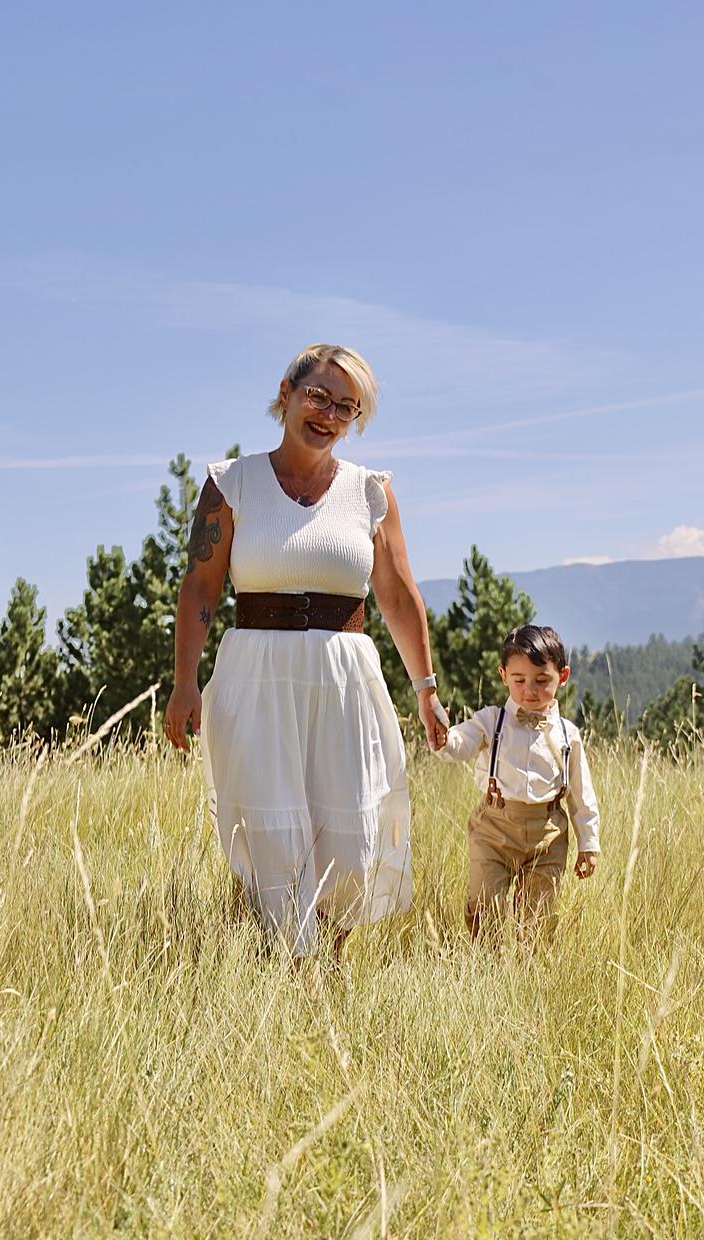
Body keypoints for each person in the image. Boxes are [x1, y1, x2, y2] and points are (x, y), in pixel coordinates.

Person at [164, 343, 447, 956]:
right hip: (255, 676)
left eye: (347, 407)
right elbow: (200, 587)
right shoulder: (231, 484)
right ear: (286, 393)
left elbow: (398, 596)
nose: (329, 415)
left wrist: (425, 690)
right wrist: (185, 682)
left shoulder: (371, 492)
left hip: (344, 681)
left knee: (348, 832)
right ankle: (288, 967)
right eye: (318, 396)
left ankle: (328, 966)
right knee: (269, 827)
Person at [433, 624, 599, 936]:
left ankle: (530, 963)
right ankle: (487, 961)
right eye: (519, 680)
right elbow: (461, 742)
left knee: (539, 915)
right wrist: (444, 738)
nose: (530, 691)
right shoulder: (491, 720)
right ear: (503, 675)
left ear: (563, 676)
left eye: (542, 680)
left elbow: (581, 794)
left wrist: (588, 844)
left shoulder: (568, 734)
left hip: (548, 834)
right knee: (485, 904)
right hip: (495, 827)